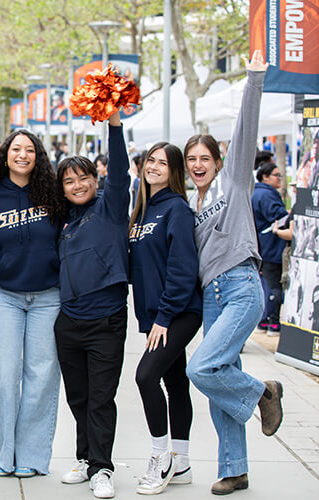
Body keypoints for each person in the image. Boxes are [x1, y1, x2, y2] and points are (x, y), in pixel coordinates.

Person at [183, 50, 284, 496]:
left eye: (205, 157)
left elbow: (244, 133)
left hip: (241, 286)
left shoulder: (235, 184)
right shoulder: (191, 206)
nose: (198, 164)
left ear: (218, 161)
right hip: (211, 298)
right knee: (220, 373)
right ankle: (235, 469)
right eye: (191, 160)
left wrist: (254, 80)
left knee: (202, 368)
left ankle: (264, 391)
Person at [0, 129, 65, 479]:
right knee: (5, 373)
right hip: (4, 296)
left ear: (38, 155)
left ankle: (31, 456)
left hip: (48, 296)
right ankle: (5, 452)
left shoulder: (52, 192)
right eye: (16, 149)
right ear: (5, 153)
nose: (23, 155)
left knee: (42, 375)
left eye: (30, 150)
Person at [54, 110, 128, 499]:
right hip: (69, 323)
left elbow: (120, 172)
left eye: (84, 177)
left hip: (107, 321)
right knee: (78, 398)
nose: (78, 184)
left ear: (95, 180)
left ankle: (102, 468)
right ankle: (85, 459)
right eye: (69, 180)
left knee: (101, 398)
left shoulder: (110, 207)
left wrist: (114, 125)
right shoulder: (62, 220)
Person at [128, 142, 202, 495]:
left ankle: (162, 457)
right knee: (174, 382)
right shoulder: (142, 209)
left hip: (179, 311)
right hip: (157, 314)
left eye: (163, 163)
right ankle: (183, 460)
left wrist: (164, 317)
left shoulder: (176, 210)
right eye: (150, 160)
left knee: (145, 376)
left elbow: (183, 270)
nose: (154, 167)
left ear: (174, 172)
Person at [252, 162, 289, 336]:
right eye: (276, 175)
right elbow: (279, 217)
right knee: (274, 286)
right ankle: (272, 322)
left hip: (261, 247)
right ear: (265, 176)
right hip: (271, 247)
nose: (280, 178)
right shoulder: (266, 195)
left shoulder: (255, 192)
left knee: (266, 286)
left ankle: (264, 321)